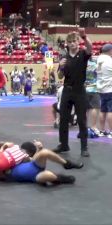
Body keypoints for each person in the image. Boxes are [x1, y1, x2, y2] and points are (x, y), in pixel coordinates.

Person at [53, 28, 92, 157]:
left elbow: (90, 47)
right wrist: (61, 66)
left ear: (78, 42)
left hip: (79, 90)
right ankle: (64, 145)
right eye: (70, 41)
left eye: (75, 41)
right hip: (67, 90)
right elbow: (59, 76)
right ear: (67, 43)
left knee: (82, 119)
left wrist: (84, 36)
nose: (73, 43)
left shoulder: (83, 54)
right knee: (63, 119)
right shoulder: (64, 57)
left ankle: (84, 147)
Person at [7, 140, 83, 185]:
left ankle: (66, 164)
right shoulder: (4, 170)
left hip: (35, 165)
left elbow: (33, 159)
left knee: (45, 152)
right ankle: (60, 178)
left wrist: (39, 149)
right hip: (35, 177)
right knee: (47, 176)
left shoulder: (20, 159)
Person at [97, 44, 112, 138]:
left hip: (101, 89)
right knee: (110, 111)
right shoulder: (109, 61)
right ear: (110, 50)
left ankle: (102, 131)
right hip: (110, 88)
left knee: (103, 110)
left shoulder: (99, 59)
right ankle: (111, 131)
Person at [85, 58, 101, 136]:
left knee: (84, 109)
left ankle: (84, 127)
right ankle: (94, 126)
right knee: (95, 108)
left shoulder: (83, 64)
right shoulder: (96, 64)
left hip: (84, 89)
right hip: (94, 88)